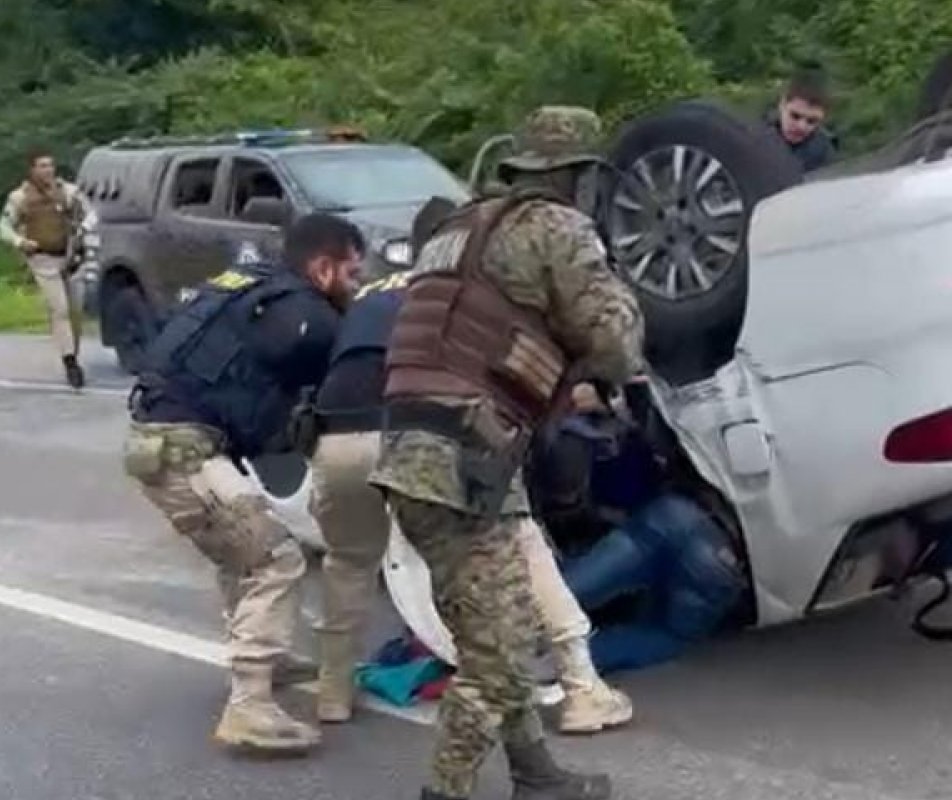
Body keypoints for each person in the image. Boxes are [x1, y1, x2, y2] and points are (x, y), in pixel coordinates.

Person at [367, 106, 645, 800]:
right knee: (499, 655)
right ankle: (447, 791)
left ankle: (534, 773)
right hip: (466, 458)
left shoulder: (462, 227)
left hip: (414, 449)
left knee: (497, 622)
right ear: (578, 177)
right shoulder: (558, 228)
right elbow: (613, 343)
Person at [304, 197, 633, 736]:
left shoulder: (368, 295)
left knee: (348, 561)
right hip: (418, 434)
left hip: (335, 436)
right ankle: (581, 687)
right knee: (520, 540)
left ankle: (334, 691)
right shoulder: (462, 294)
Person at [122, 213, 363, 756]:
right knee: (273, 560)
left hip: (166, 440)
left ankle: (265, 658)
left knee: (243, 551)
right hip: (184, 452)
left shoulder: (248, 286)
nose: (356, 284)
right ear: (323, 268)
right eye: (352, 273)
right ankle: (249, 705)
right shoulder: (302, 312)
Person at [528, 384, 751, 675]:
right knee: (670, 635)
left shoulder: (673, 403)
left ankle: (487, 638)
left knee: (567, 593)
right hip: (720, 555)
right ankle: (548, 666)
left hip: (675, 514)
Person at [0, 149, 95, 388]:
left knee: (75, 311)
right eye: (42, 166)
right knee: (59, 308)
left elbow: (92, 214)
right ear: (32, 169)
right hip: (43, 259)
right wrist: (21, 242)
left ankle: (72, 351)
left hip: (71, 257)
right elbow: (4, 226)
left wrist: (83, 229)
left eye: (50, 165)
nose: (47, 170)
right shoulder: (20, 197)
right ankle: (69, 361)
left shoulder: (69, 192)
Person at [767, 62, 839, 173]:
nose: (801, 126)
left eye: (811, 121)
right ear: (782, 105)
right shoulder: (753, 137)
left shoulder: (824, 150)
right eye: (795, 116)